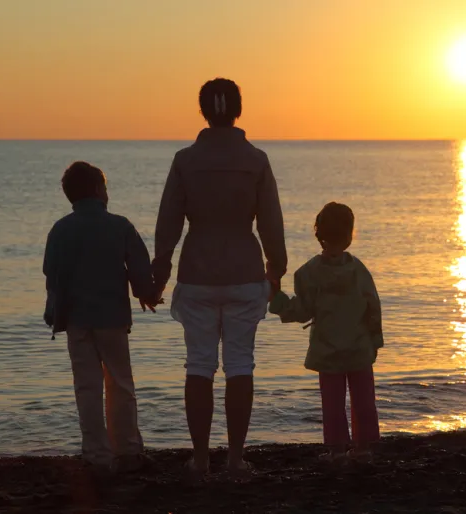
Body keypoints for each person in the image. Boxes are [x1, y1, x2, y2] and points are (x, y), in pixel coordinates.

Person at [153, 78, 287, 475]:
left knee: (199, 365)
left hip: (197, 273)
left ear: (203, 112)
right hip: (245, 272)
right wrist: (275, 270)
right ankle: (234, 458)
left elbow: (168, 223)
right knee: (240, 365)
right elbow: (271, 224)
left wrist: (160, 271)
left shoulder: (185, 160)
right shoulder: (256, 160)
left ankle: (198, 459)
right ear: (238, 110)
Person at [43, 161, 159, 476]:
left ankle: (96, 454)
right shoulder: (120, 226)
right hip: (112, 319)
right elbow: (138, 269)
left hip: (76, 321)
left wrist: (53, 312)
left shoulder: (60, 229)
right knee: (120, 384)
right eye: (105, 187)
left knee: (87, 387)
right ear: (98, 190)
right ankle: (128, 451)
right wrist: (147, 294)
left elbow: (51, 276)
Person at [269, 202, 383, 461]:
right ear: (350, 235)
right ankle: (364, 447)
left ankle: (336, 449)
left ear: (319, 234)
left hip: (327, 350)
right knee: (364, 401)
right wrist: (375, 341)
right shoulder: (359, 270)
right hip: (359, 348)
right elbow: (373, 306)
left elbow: (301, 311)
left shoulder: (309, 273)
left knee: (332, 403)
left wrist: (276, 299)